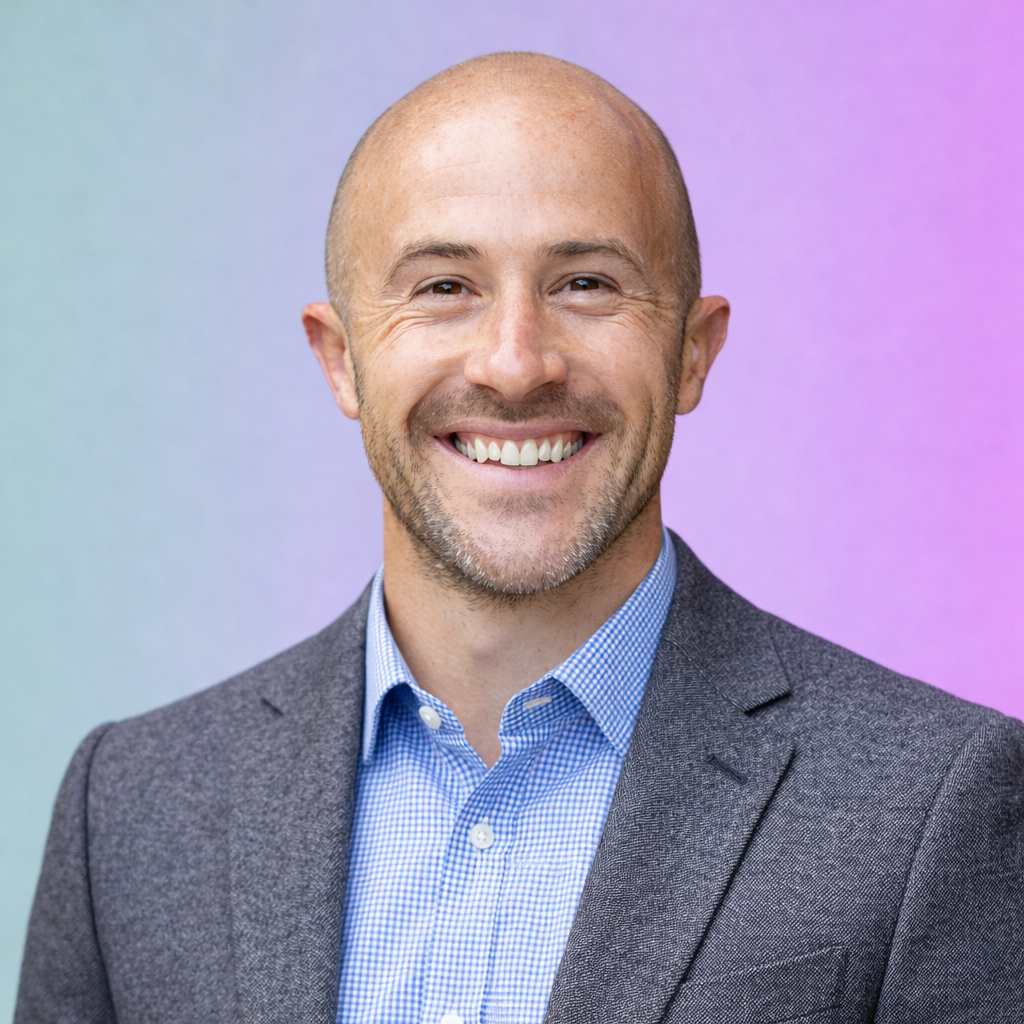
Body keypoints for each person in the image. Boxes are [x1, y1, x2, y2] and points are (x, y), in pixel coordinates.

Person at [15, 53, 1023, 1024]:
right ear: (341, 361)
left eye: (585, 282)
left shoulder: (935, 801)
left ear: (692, 352)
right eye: (444, 286)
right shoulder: (132, 809)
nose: (513, 364)